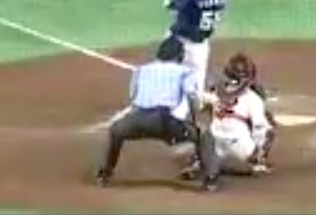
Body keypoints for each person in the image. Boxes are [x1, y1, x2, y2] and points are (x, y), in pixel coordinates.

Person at [95, 37, 222, 191]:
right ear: (180, 56)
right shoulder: (185, 72)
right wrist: (194, 120)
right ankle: (210, 180)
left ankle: (104, 173)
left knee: (116, 130)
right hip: (167, 122)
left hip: (139, 120)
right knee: (204, 135)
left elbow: (133, 96)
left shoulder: (141, 70)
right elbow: (191, 95)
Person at [180, 53, 278, 180]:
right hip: (240, 149)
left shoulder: (215, 90)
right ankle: (257, 164)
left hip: (214, 144)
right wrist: (257, 151)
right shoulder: (253, 97)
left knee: (207, 121)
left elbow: (198, 110)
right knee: (268, 125)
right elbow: (259, 125)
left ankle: (202, 162)